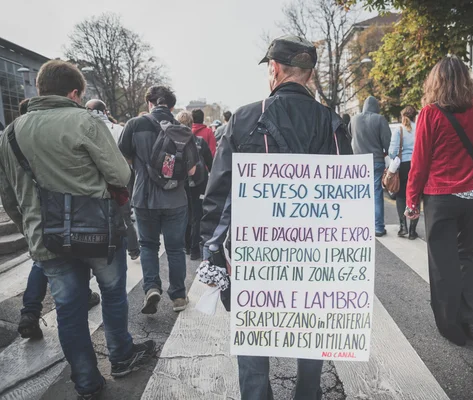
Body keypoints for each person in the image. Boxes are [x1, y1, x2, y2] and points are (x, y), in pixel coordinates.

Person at [200, 34, 352, 400]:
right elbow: (348, 196)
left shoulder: (244, 118)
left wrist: (213, 251)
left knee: (253, 329)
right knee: (312, 326)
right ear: (310, 75)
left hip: (255, 250)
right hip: (314, 249)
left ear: (274, 69)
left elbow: (218, 193)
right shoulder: (332, 123)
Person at [0, 60, 155, 399]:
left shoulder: (10, 134)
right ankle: (121, 356)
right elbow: (120, 176)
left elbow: (9, 196)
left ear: (40, 89)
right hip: (96, 233)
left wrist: (30, 227)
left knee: (68, 310)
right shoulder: (84, 121)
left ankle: (86, 381)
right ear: (74, 93)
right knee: (113, 294)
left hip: (45, 238)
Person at [405, 56, 473, 346]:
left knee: (442, 262)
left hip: (441, 197)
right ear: (467, 79)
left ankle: (451, 325)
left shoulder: (430, 114)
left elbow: (420, 163)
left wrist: (411, 200)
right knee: (467, 255)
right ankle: (471, 318)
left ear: (436, 82)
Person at [14, 97, 101, 341]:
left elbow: (8, 193)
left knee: (40, 263)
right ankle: (83, 296)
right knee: (75, 260)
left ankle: (30, 312)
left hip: (35, 219)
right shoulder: (55, 131)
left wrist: (25, 225)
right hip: (66, 216)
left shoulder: (12, 137)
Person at [119, 86, 199, 314]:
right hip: (175, 199)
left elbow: (122, 157)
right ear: (172, 106)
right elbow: (192, 170)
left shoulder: (134, 125)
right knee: (175, 248)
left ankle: (152, 287)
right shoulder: (182, 129)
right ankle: (179, 296)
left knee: (148, 245)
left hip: (144, 197)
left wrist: (141, 167)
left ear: (149, 104)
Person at [86, 98, 140, 260]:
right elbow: (128, 153)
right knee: (125, 217)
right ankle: (133, 249)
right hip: (120, 179)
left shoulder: (85, 128)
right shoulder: (118, 129)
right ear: (105, 111)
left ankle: (106, 250)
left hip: (96, 181)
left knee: (99, 218)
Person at [349, 96, 392, 237]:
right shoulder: (380, 119)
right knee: (376, 193)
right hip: (375, 161)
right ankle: (378, 227)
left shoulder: (354, 119)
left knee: (359, 193)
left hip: (358, 162)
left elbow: (350, 135)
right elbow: (387, 143)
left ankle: (359, 225)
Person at [176, 111, 213, 260]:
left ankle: (185, 245)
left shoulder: (173, 141)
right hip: (199, 181)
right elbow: (211, 164)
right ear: (191, 123)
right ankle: (195, 248)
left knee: (184, 213)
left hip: (180, 182)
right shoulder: (199, 141)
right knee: (197, 214)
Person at [389, 106, 418, 239]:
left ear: (403, 116)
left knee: (401, 196)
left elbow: (392, 152)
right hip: (417, 165)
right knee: (415, 195)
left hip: (403, 165)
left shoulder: (398, 130)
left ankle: (403, 227)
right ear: (414, 116)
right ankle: (413, 230)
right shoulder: (419, 128)